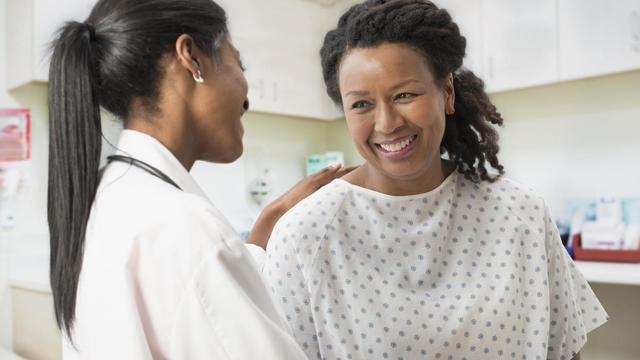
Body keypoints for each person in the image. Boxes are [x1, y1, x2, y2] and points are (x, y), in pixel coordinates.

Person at [262, 1, 607, 359]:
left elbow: (565, 351)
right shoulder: (304, 236)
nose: (387, 123)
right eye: (361, 104)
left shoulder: (522, 214)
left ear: (446, 93)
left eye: (405, 95)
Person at [47, 0, 355, 358]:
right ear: (191, 58)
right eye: (239, 64)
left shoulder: (107, 199)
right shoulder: (184, 227)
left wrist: (265, 226)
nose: (246, 98)